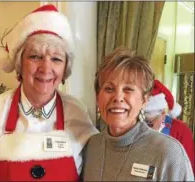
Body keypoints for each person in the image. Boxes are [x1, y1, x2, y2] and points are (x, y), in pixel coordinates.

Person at [0, 4, 98, 181]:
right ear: (20, 64)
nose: (46, 68)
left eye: (56, 59)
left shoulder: (77, 112)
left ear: (65, 69)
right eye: (35, 56)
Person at [82, 47, 194, 181]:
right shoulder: (91, 146)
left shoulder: (169, 153)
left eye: (128, 89)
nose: (118, 97)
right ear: (97, 97)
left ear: (145, 99)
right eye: (109, 88)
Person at [144, 79, 195, 173]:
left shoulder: (181, 131)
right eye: (143, 121)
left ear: (163, 114)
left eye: (150, 123)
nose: (147, 127)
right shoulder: (134, 126)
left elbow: (189, 169)